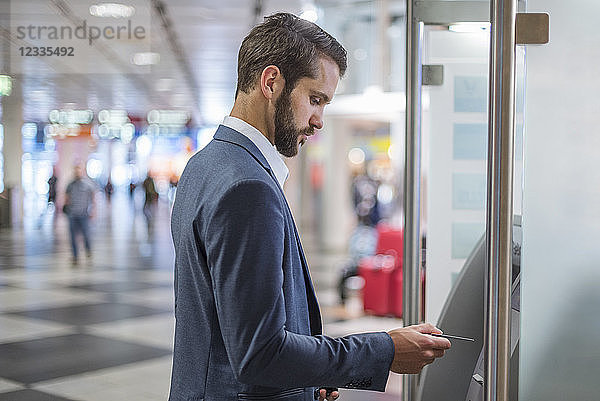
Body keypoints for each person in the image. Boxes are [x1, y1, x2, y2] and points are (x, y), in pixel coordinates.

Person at [169, 13, 450, 401]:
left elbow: (223, 328)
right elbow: (259, 353)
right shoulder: (248, 187)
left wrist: (305, 381)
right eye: (315, 99)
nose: (319, 120)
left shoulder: (206, 165)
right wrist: (385, 350)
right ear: (271, 82)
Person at [64, 165, 96, 264]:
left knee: (86, 234)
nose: (77, 172)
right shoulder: (70, 184)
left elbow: (93, 198)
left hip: (84, 214)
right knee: (73, 236)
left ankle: (88, 250)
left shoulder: (88, 184)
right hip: (72, 214)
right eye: (76, 170)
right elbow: (66, 197)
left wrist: (93, 210)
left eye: (79, 170)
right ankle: (75, 256)